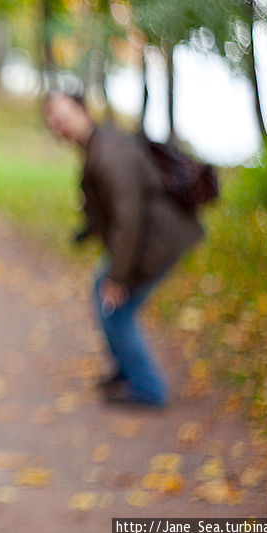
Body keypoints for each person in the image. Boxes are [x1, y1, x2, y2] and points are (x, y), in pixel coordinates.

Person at [43, 91, 204, 407]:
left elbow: (129, 219)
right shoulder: (96, 145)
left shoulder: (109, 155)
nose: (56, 122)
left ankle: (148, 389)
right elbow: (112, 207)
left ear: (83, 111)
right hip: (147, 238)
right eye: (51, 116)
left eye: (62, 114)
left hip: (158, 241)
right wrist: (87, 231)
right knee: (101, 291)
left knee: (116, 309)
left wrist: (119, 277)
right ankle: (127, 370)